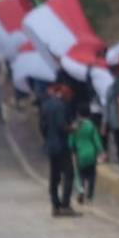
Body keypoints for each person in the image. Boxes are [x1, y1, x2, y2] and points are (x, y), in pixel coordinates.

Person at [42, 74, 80, 217]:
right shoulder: (60, 106)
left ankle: (55, 205)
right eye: (69, 94)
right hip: (61, 145)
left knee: (54, 176)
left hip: (50, 145)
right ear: (64, 90)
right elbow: (62, 126)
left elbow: (43, 127)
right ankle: (65, 205)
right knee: (68, 174)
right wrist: (73, 128)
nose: (70, 97)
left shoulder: (46, 104)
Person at [70, 109, 103, 205]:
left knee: (80, 175)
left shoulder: (75, 126)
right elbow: (97, 141)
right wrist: (101, 152)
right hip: (91, 154)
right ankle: (90, 195)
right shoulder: (91, 126)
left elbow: (71, 142)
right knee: (92, 175)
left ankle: (81, 190)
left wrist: (71, 151)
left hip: (80, 154)